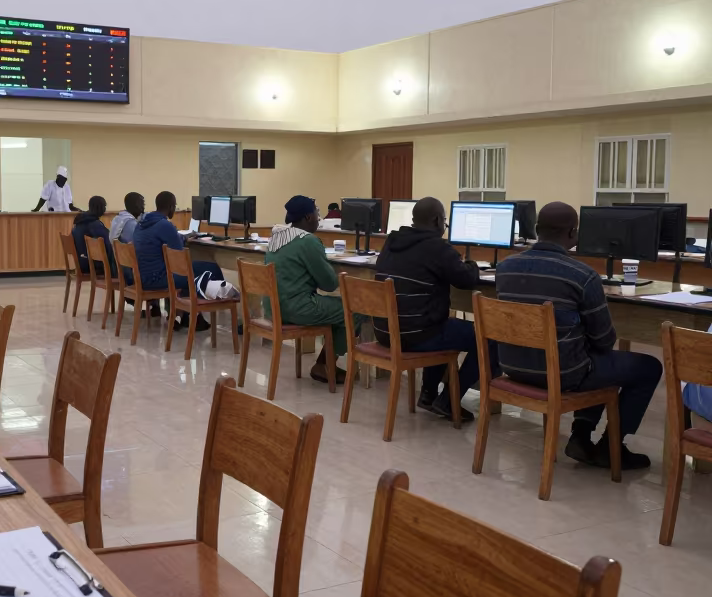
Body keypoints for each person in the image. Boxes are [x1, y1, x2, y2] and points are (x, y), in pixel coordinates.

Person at [495, 201, 659, 470]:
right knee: (647, 366)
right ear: (573, 234)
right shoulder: (582, 276)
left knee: (590, 357)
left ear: (536, 230)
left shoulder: (505, 268)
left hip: (513, 367)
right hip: (561, 374)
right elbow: (605, 340)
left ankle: (582, 438)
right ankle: (610, 447)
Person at [373, 196, 499, 421]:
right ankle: (450, 399)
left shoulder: (391, 241)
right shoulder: (438, 248)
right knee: (490, 339)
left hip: (385, 332)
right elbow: (465, 280)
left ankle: (429, 395)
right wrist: (470, 265)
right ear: (436, 221)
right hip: (415, 334)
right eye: (444, 221)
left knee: (440, 322)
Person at [266, 195, 366, 385]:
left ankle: (324, 363)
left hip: (274, 307)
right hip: (298, 308)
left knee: (336, 309)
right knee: (353, 311)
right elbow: (328, 285)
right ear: (308, 217)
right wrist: (342, 274)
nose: (319, 218)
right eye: (316, 213)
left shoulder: (276, 237)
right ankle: (325, 365)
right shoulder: (308, 241)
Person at [133, 191, 225, 330]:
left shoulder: (141, 224)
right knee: (209, 269)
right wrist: (179, 239)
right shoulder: (164, 225)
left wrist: (180, 237)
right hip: (157, 278)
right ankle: (201, 311)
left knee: (195, 271)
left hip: (142, 276)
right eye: (174, 206)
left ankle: (187, 316)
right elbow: (179, 259)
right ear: (170, 206)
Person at [71, 196, 114, 275]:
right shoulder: (94, 224)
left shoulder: (79, 222)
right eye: (104, 206)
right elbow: (108, 241)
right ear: (99, 208)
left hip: (81, 262)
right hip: (91, 264)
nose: (105, 209)